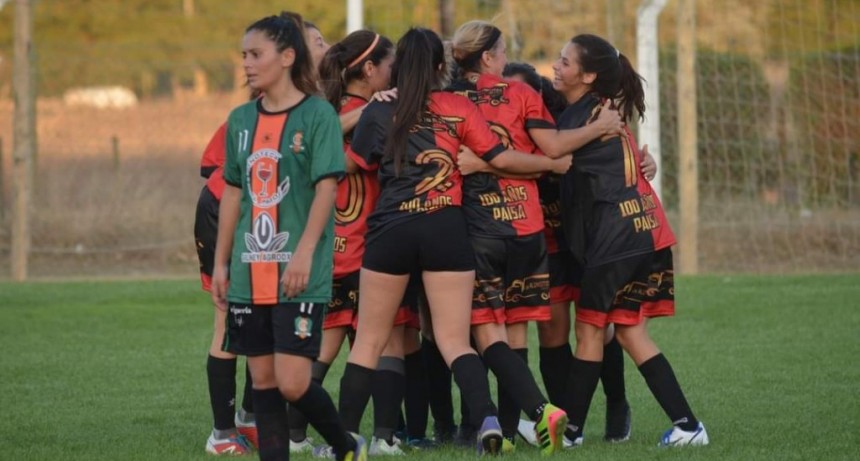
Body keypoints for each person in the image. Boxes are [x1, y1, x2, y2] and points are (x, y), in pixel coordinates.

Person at [337, 27, 572, 457]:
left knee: (369, 340)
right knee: (454, 341)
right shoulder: (458, 106)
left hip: (392, 230)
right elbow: (498, 159)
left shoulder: (381, 111)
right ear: (441, 68)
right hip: (446, 230)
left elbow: (350, 164)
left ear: (397, 68)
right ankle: (490, 424)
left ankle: (347, 441)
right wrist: (552, 163)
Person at [447, 20, 622, 453]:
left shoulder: (445, 100)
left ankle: (515, 426)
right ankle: (513, 429)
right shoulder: (522, 94)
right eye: (503, 52)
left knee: (488, 334)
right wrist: (599, 129)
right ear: (487, 57)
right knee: (519, 333)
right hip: (526, 228)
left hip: (476, 229)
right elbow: (556, 149)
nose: (507, 59)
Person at [211, 12, 367, 461]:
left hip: (301, 272)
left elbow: (327, 189)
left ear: (286, 56)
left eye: (255, 54)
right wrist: (222, 262)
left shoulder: (317, 114)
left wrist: (303, 253)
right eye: (243, 55)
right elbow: (233, 195)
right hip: (249, 271)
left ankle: (344, 446)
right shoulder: (240, 120)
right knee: (262, 381)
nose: (246, 63)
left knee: (294, 382)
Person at [549, 33, 708, 447]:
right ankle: (689, 427)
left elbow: (551, 154)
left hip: (615, 238)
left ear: (586, 75)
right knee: (630, 333)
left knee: (588, 334)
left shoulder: (581, 119)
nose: (555, 66)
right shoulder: (604, 111)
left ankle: (572, 433)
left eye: (564, 62)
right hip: (647, 230)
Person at [502, 61, 657, 446]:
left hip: (589, 241)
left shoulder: (563, 123)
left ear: (537, 94)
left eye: (517, 91)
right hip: (548, 241)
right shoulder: (502, 128)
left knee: (599, 330)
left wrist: (642, 163)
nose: (508, 97)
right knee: (553, 333)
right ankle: (562, 422)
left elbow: (611, 156)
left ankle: (617, 405)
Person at [195, 121, 257, 456]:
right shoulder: (253, 113)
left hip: (258, 217)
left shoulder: (308, 107)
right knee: (229, 319)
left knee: (261, 314)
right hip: (224, 211)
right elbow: (212, 168)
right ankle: (222, 434)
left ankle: (248, 418)